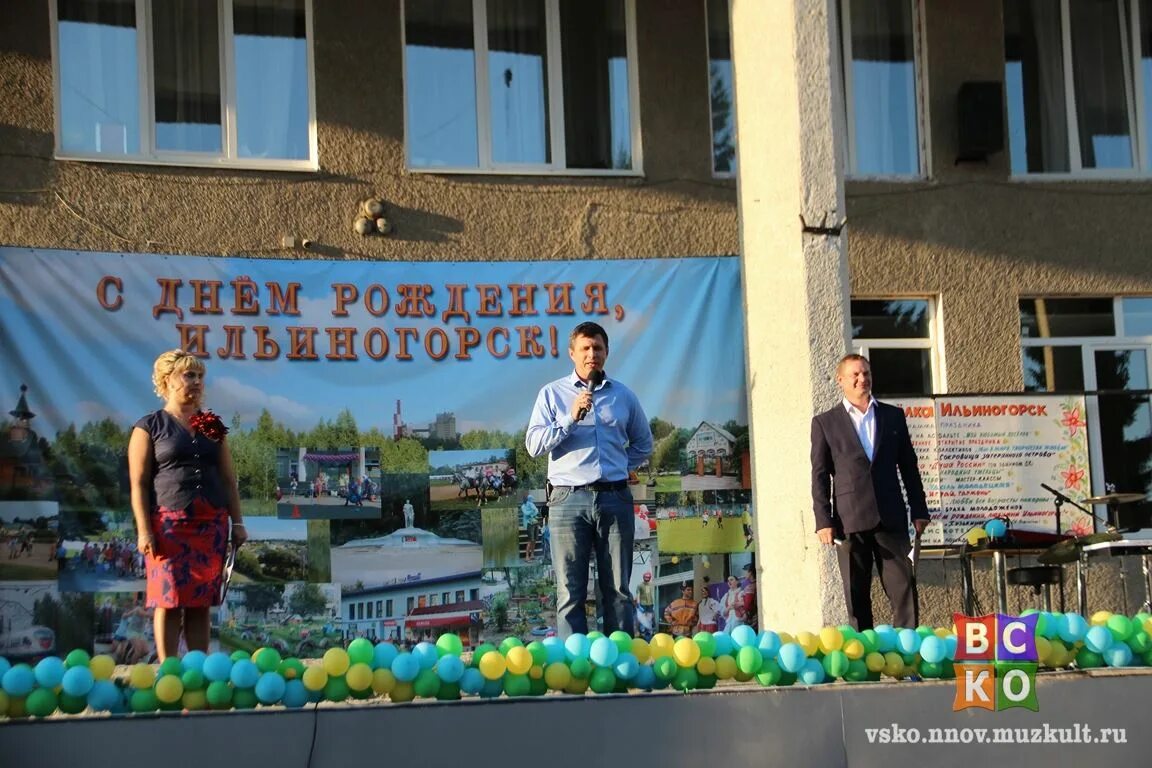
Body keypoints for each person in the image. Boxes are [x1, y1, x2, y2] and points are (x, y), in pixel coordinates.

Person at [525, 321, 653, 638]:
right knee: (570, 593)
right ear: (572, 353)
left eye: (597, 347)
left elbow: (643, 444)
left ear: (606, 352)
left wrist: (619, 467)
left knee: (618, 590)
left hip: (614, 498)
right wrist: (570, 417)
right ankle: (575, 663)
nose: (591, 354)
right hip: (567, 500)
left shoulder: (623, 396)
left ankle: (619, 660)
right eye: (585, 348)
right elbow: (534, 446)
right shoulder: (551, 394)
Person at [128, 349, 246, 660]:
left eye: (199, 376)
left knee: (201, 602)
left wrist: (238, 522)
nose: (196, 381)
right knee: (168, 601)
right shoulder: (148, 426)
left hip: (211, 525)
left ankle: (198, 671)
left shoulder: (212, 425)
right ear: (167, 380)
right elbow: (138, 483)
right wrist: (144, 531)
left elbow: (228, 480)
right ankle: (168, 671)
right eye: (188, 375)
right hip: (168, 526)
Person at [811, 353, 929, 630]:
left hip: (891, 517)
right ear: (841, 380)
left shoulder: (892, 416)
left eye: (866, 373)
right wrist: (823, 520)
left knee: (904, 589)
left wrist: (919, 509)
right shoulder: (825, 423)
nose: (862, 379)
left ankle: (907, 648)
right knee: (857, 594)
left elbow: (908, 466)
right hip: (849, 520)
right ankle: (864, 649)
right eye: (855, 374)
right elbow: (819, 475)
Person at [520, 494, 540, 561]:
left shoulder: (531, 504)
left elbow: (536, 511)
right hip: (528, 524)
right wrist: (532, 512)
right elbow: (526, 513)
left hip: (535, 522)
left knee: (534, 540)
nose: (528, 500)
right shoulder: (523, 506)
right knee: (530, 540)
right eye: (527, 499)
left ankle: (532, 555)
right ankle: (527, 556)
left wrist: (533, 512)